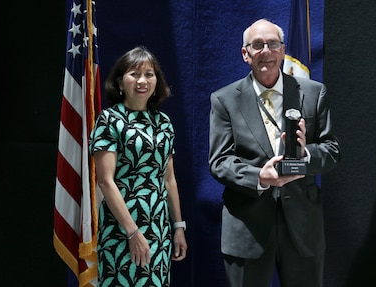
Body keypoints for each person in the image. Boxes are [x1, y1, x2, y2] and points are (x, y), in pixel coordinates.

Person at [208, 19, 340, 287]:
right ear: (245, 54)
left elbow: (331, 151)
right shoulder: (224, 100)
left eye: (273, 44)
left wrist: (305, 157)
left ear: (282, 50)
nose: (266, 50)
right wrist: (261, 176)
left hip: (302, 229)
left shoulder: (313, 94)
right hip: (247, 230)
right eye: (257, 45)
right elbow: (219, 162)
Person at [89, 46, 187, 287]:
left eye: (149, 74)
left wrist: (178, 226)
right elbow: (105, 181)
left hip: (158, 228)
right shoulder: (109, 120)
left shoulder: (164, 122)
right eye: (134, 73)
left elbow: (169, 179)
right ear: (121, 83)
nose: (142, 80)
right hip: (121, 229)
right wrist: (132, 232)